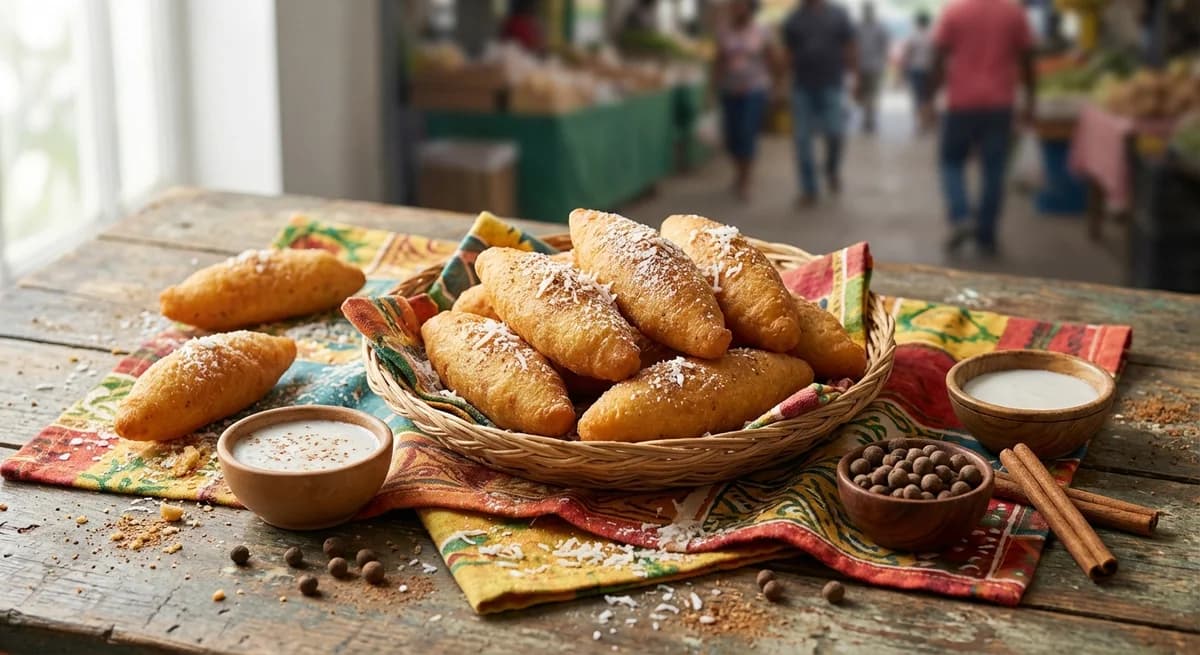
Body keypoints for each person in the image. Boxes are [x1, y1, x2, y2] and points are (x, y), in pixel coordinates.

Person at [926, 0, 1035, 255]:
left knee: (951, 162)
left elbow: (938, 57)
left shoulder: (954, 11)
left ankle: (961, 216)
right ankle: (987, 235)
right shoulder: (1014, 12)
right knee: (994, 169)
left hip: (961, 104)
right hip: (1000, 104)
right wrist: (1031, 99)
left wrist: (928, 98)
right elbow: (1028, 59)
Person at [782, 0, 857, 206]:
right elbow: (788, 53)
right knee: (802, 140)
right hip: (802, 87)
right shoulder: (793, 19)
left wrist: (854, 78)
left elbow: (850, 47)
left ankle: (831, 170)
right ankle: (809, 188)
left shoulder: (838, 15)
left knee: (835, 133)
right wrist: (779, 84)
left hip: (831, 84)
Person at [716, 0, 774, 201]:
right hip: (730, 90)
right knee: (732, 137)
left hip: (754, 90)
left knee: (747, 133)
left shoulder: (761, 31)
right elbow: (719, 59)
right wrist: (713, 87)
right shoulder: (724, 31)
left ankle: (745, 179)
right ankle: (738, 171)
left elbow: (771, 58)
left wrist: (777, 87)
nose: (737, 9)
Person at [854, 2, 889, 134]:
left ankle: (868, 120)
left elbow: (884, 46)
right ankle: (868, 119)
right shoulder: (859, 27)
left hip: (869, 66)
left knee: (869, 94)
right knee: (868, 94)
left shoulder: (859, 27)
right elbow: (884, 47)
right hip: (868, 66)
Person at [900, 11, 935, 132]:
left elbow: (907, 54)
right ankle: (927, 122)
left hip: (915, 69)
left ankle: (920, 123)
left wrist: (903, 71)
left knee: (917, 97)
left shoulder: (913, 36)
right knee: (928, 97)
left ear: (917, 22)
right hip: (930, 70)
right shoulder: (933, 35)